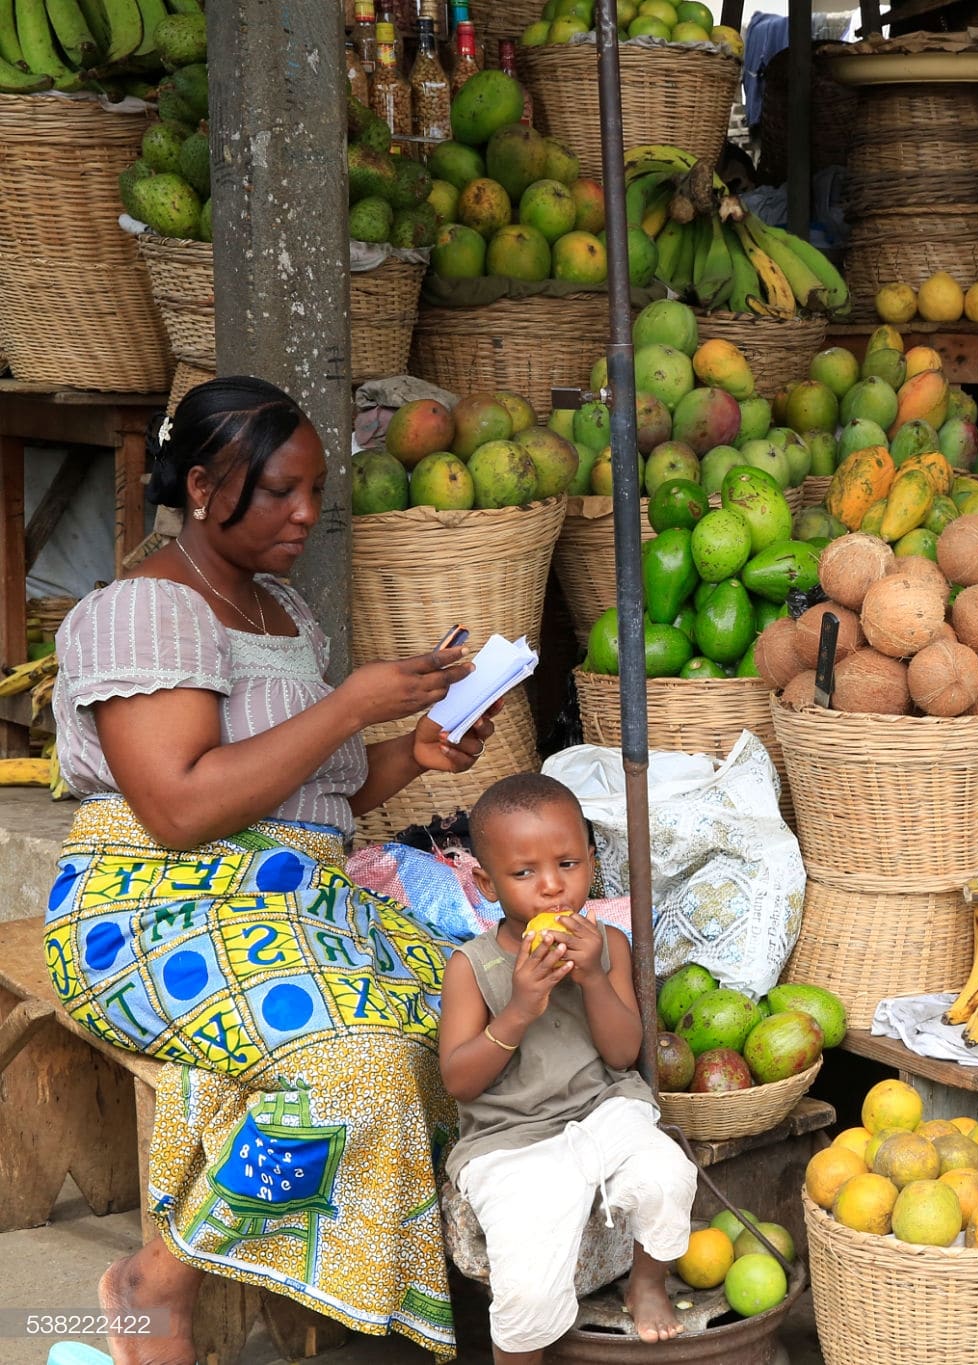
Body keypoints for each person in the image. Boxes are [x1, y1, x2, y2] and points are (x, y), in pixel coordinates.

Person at [46, 376, 497, 1363]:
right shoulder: (146, 612)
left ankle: (338, 1302)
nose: (305, 515)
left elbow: (303, 795)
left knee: (465, 1023)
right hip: (153, 904)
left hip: (300, 900)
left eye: (313, 494)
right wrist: (349, 706)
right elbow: (180, 807)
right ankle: (154, 1282)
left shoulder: (284, 609)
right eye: (281, 492)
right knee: (353, 1066)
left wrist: (411, 753)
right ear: (204, 487)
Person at [439, 773, 698, 1361]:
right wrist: (519, 1010)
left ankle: (647, 1284)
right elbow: (459, 1079)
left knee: (668, 1176)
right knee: (526, 1281)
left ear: (590, 861)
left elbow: (621, 1053)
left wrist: (592, 979)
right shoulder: (472, 967)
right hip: (511, 1139)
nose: (553, 888)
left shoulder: (607, 943)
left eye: (568, 863)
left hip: (603, 1110)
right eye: (524, 873)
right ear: (485, 882)